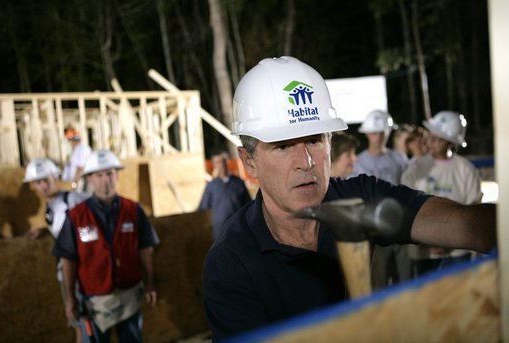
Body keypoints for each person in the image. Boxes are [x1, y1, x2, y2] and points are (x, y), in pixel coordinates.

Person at [202, 56, 496, 341]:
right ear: (249, 162)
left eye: (315, 140)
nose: (305, 161)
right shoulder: (230, 262)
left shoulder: (360, 198)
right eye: (282, 146)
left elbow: (471, 227)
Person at [53, 149, 160, 343]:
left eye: (110, 173)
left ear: (117, 175)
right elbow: (68, 258)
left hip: (129, 296)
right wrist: (70, 298)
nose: (105, 180)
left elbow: (146, 249)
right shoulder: (76, 217)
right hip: (94, 302)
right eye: (99, 175)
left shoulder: (133, 210)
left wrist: (150, 283)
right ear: (90, 179)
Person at [402, 111, 483, 276]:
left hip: (457, 252)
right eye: (430, 137)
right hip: (422, 251)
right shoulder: (415, 169)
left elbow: (474, 209)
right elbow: (405, 205)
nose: (430, 143)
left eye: (437, 139)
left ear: (451, 143)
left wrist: (450, 242)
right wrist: (425, 240)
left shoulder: (466, 170)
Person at [23, 158, 87, 342]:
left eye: (46, 180)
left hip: (81, 271)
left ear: (55, 177)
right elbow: (64, 229)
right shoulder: (49, 208)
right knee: (78, 321)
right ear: (33, 186)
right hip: (67, 272)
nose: (43, 185)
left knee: (84, 323)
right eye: (38, 182)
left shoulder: (74, 199)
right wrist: (47, 230)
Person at [354, 110, 410, 288]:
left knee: (405, 280)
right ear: (367, 134)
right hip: (374, 229)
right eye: (373, 132)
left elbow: (409, 189)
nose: (377, 137)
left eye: (381, 132)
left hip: (400, 226)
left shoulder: (399, 159)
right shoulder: (358, 162)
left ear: (388, 132)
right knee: (378, 282)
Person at [199, 151, 252, 240]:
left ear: (227, 162)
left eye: (223, 161)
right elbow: (203, 208)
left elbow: (249, 205)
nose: (221, 165)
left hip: (238, 229)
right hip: (219, 231)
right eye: (217, 162)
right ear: (214, 165)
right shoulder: (211, 186)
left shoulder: (238, 183)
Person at [62, 127, 92, 192]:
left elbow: (80, 168)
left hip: (82, 182)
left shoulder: (82, 149)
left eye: (69, 140)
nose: (69, 143)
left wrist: (74, 184)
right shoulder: (76, 150)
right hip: (78, 182)